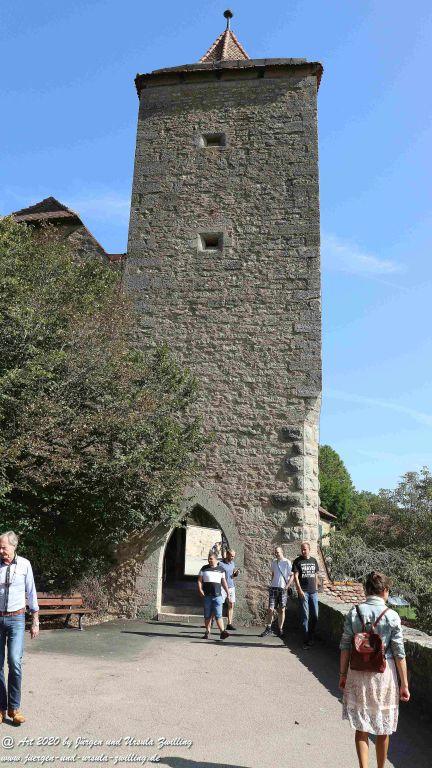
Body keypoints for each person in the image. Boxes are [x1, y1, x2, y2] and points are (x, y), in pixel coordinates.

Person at [339, 571, 410, 768]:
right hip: (383, 674)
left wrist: (342, 674)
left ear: (366, 590)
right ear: (385, 590)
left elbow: (345, 646)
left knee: (361, 726)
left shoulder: (354, 612)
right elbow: (399, 654)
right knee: (382, 727)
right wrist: (404, 684)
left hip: (358, 672)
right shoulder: (392, 616)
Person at [0, 531, 39, 725]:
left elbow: (31, 592)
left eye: (3, 547)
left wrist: (35, 620)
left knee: (14, 662)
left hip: (16, 620)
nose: (1, 551)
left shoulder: (25, 564)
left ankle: (14, 708)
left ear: (13, 546)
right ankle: (1, 708)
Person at [260, 546, 293, 637]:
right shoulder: (274, 562)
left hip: (283, 589)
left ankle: (280, 629)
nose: (276, 553)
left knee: (281, 609)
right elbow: (273, 574)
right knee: (270, 609)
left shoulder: (287, 562)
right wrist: (271, 584)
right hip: (273, 588)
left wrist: (287, 586)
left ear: (282, 552)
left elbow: (292, 575)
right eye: (275, 552)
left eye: (278, 552)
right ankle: (268, 628)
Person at [293, 541, 320, 649]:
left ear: (309, 549)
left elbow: (316, 574)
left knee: (315, 616)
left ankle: (311, 636)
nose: (303, 551)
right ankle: (305, 641)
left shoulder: (314, 560)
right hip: (304, 592)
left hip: (313, 592)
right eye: (302, 549)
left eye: (305, 549)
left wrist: (317, 587)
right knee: (305, 616)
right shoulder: (297, 561)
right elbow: (295, 577)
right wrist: (299, 590)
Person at [198, 553, 230, 641]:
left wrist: (228, 593)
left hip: (217, 596)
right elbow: (199, 580)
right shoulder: (204, 568)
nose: (209, 560)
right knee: (207, 615)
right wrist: (200, 590)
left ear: (216, 559)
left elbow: (224, 582)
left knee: (218, 615)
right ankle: (207, 631)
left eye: (211, 559)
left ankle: (222, 632)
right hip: (207, 596)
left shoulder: (221, 569)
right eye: (209, 559)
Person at [219, 549, 240, 631]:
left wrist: (236, 574)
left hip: (231, 587)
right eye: (231, 556)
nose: (232, 557)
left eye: (234, 556)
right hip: (222, 587)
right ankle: (212, 620)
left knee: (231, 604)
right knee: (219, 604)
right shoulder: (220, 564)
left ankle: (229, 624)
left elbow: (232, 575)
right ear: (227, 555)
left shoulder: (232, 563)